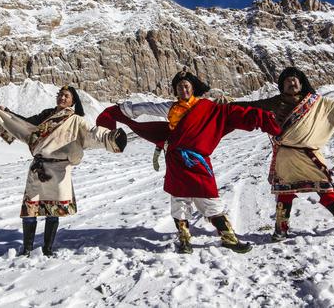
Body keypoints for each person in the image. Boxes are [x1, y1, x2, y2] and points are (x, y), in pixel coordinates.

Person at [96, 70, 282, 254]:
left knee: (209, 197)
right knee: (179, 198)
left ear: (193, 88)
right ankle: (184, 238)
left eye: (186, 86)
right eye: (179, 86)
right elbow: (146, 107)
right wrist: (123, 110)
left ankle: (228, 237)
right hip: (176, 160)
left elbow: (234, 113)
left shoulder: (208, 107)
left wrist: (261, 118)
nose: (183, 89)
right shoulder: (170, 108)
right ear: (176, 90)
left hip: (198, 161)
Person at [233, 67, 334, 241]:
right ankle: (280, 231)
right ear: (281, 85)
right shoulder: (274, 103)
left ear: (302, 83)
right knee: (285, 193)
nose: (291, 83)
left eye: (295, 80)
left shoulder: (318, 104)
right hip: (286, 157)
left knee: (325, 189)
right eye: (287, 81)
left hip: (310, 156)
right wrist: (223, 105)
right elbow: (247, 107)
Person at [0, 85, 127, 256]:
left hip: (59, 170)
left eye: (66, 96)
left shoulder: (76, 120)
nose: (62, 98)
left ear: (73, 101)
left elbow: (92, 133)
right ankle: (26, 249)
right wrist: (8, 113)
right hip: (38, 168)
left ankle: (47, 249)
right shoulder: (46, 115)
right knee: (29, 211)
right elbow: (27, 124)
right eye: (60, 95)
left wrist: (110, 136)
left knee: (52, 211)